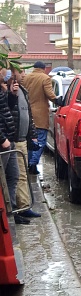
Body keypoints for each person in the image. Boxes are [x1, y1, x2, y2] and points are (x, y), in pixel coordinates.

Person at [7, 65, 40, 219]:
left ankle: (23, 205)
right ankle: (21, 207)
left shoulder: (23, 91)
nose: (24, 74)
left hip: (22, 139)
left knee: (22, 174)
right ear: (13, 74)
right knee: (17, 175)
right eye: (21, 72)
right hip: (14, 140)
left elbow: (28, 114)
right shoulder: (9, 91)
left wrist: (32, 134)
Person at [22, 61, 62, 175]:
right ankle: (33, 164)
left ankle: (29, 163)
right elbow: (49, 94)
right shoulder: (45, 78)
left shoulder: (26, 78)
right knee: (40, 141)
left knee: (30, 141)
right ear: (43, 69)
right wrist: (57, 101)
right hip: (40, 115)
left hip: (27, 114)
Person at [0, 67, 24, 224]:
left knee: (13, 175)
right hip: (3, 142)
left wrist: (12, 94)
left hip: (8, 139)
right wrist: (2, 139)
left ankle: (12, 212)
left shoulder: (2, 89)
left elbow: (6, 109)